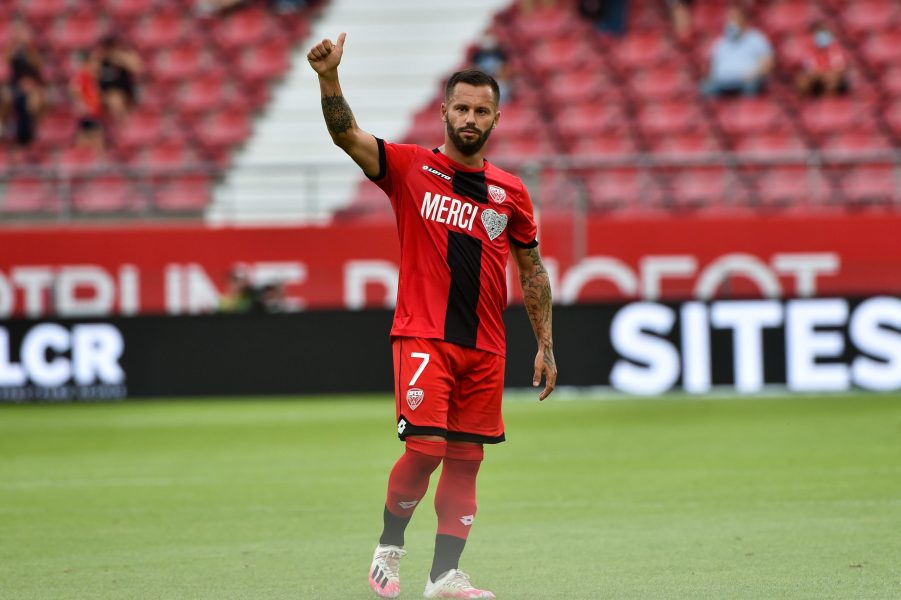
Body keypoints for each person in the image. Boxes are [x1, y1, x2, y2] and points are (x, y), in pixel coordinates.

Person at [307, 33, 556, 600]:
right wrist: (328, 78)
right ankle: (389, 548)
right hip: (423, 336)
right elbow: (346, 134)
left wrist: (545, 343)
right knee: (425, 450)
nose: (471, 118)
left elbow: (532, 269)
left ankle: (445, 576)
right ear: (444, 110)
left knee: (466, 461)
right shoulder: (409, 167)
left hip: (487, 347)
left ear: (496, 118)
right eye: (462, 108)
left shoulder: (512, 192)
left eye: (482, 111)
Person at [700, 5, 773, 97]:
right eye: (729, 19)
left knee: (751, 87)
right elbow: (711, 66)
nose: (730, 22)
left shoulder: (757, 38)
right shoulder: (721, 42)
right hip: (722, 82)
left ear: (743, 20)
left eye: (734, 18)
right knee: (705, 87)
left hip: (745, 81)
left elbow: (767, 64)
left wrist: (753, 75)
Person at [1, 21, 45, 151]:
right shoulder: (14, 50)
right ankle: (5, 125)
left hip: (33, 85)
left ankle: (33, 129)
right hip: (16, 85)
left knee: (33, 102)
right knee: (6, 96)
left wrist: (29, 47)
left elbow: (38, 67)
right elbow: (7, 60)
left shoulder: (33, 51)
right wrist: (14, 44)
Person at [794, 21, 849, 98]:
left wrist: (825, 73)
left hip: (830, 75)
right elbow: (809, 68)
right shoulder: (809, 48)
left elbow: (839, 68)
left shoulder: (835, 48)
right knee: (802, 81)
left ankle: (829, 103)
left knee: (831, 79)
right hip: (817, 75)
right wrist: (821, 74)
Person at [95, 34, 142, 121]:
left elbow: (138, 67)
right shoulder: (99, 60)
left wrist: (117, 57)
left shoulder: (122, 56)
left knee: (116, 97)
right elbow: (91, 74)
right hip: (107, 90)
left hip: (122, 88)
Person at [70, 50, 105, 151]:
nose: (96, 65)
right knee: (93, 136)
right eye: (94, 62)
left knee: (93, 136)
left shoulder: (93, 77)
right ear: (88, 63)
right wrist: (81, 104)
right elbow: (74, 89)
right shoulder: (83, 75)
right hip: (89, 112)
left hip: (95, 112)